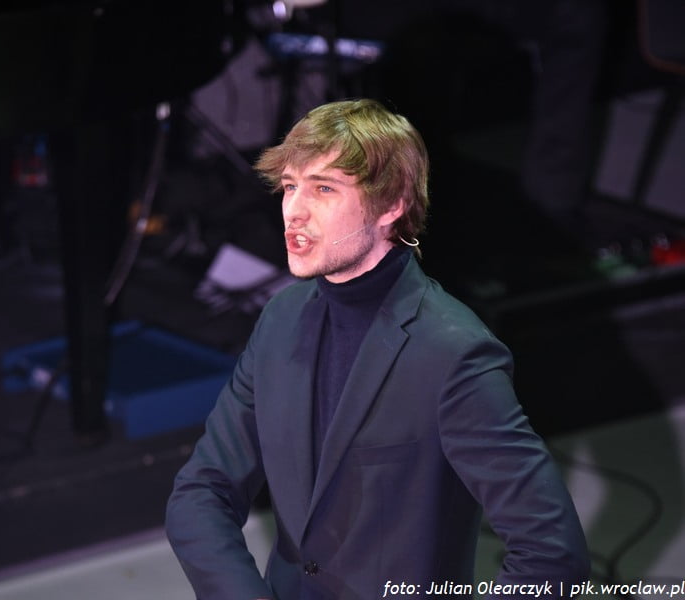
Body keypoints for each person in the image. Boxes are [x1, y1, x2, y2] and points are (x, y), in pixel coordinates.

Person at [165, 99, 589, 599]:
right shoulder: (281, 319)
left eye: (323, 188)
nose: (294, 211)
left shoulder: (452, 353)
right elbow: (201, 492)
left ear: (392, 205)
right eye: (290, 186)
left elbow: (551, 553)